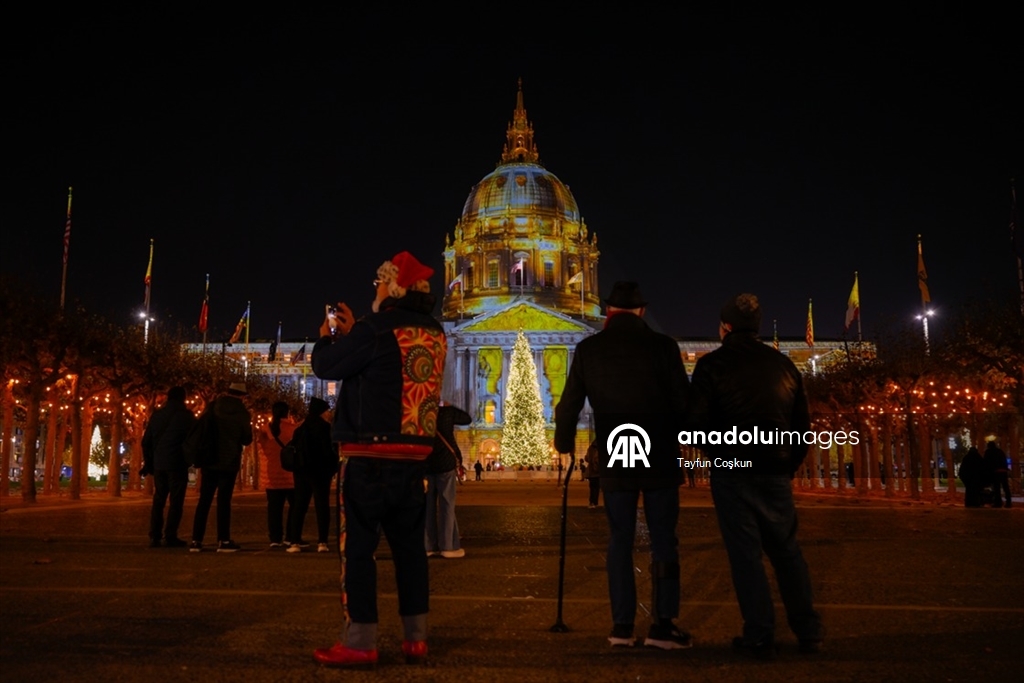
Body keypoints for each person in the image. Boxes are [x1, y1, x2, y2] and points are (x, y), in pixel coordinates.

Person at [311, 250, 446, 668]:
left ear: (393, 287)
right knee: (410, 553)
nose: (375, 290)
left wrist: (332, 337)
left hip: (368, 456)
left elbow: (326, 367)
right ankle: (415, 638)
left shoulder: (375, 328)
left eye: (379, 283)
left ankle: (360, 641)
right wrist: (357, 334)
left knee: (359, 552)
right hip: (413, 461)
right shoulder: (436, 332)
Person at [554, 281, 692, 650]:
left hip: (618, 450)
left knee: (620, 539)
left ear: (609, 312)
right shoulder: (664, 347)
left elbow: (568, 405)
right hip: (659, 451)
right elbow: (683, 400)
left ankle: (622, 626)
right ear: (642, 312)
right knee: (664, 539)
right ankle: (663, 624)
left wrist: (564, 443)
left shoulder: (589, 349)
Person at [687, 294, 823, 660]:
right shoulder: (784, 365)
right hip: (775, 468)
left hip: (733, 467)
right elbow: (802, 426)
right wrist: (786, 464)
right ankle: (808, 630)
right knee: (787, 552)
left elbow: (695, 421)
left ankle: (760, 632)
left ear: (724, 328)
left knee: (745, 556)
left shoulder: (711, 365)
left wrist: (716, 452)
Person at [189, 382, 253, 553]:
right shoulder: (242, 413)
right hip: (229, 461)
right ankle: (223, 540)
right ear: (243, 396)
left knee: (204, 501)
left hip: (210, 459)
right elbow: (247, 438)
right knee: (224, 501)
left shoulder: (213, 406)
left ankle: (196, 540)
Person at [141, 386, 196, 548]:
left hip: (159, 464)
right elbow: (194, 439)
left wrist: (149, 462)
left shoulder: (157, 416)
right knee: (176, 501)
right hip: (178, 464)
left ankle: (155, 534)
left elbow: (146, 442)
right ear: (183, 399)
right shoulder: (187, 417)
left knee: (159, 499)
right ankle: (171, 535)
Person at [287, 397, 337, 553]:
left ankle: (295, 541)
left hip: (302, 472)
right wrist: (332, 470)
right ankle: (322, 542)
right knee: (322, 506)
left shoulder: (300, 429)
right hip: (321, 473)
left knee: (299, 506)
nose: (328, 413)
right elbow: (332, 452)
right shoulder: (327, 429)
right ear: (321, 412)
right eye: (327, 411)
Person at [425, 404, 472, 558]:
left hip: (426, 463)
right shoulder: (447, 412)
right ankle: (448, 546)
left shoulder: (422, 412)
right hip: (445, 463)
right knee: (447, 505)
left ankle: (428, 546)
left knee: (427, 506)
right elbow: (467, 419)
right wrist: (450, 407)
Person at [256, 401, 298, 548]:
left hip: (271, 475)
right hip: (290, 475)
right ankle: (290, 536)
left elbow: (261, 450)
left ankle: (275, 538)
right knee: (295, 507)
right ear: (287, 413)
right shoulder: (293, 430)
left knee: (274, 509)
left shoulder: (264, 429)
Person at [983, 441, 1012, 508]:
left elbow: (986, 462)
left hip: (996, 472)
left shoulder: (988, 452)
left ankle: (998, 502)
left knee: (997, 488)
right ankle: (1008, 502)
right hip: (1003, 471)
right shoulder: (1000, 451)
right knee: (1006, 487)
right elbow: (1004, 460)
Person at [584, 441, 601, 509]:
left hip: (591, 472)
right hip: (597, 472)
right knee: (596, 488)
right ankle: (595, 502)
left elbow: (586, 458)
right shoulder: (600, 448)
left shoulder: (590, 448)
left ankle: (591, 502)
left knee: (592, 488)